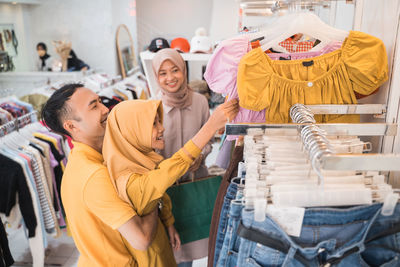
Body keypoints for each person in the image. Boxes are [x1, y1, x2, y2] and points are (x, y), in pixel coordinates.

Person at [102, 98, 238, 267]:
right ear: (132, 131)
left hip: (161, 245)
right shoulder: (129, 182)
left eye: (159, 121)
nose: (162, 128)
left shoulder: (138, 163)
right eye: (153, 124)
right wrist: (210, 127)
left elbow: (159, 192)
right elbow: (165, 174)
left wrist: (169, 222)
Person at [41, 83, 159, 266]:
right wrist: (154, 195)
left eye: (100, 101)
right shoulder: (93, 175)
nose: (106, 109)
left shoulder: (82, 159)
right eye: (94, 106)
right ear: (71, 126)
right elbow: (141, 239)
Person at [152, 48, 212, 266]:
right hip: (166, 191)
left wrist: (200, 156)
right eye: (163, 73)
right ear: (156, 77)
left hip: (195, 181)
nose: (170, 78)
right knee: (171, 250)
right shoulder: (152, 107)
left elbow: (209, 139)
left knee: (190, 247)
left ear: (183, 70)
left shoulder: (200, 102)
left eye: (175, 70)